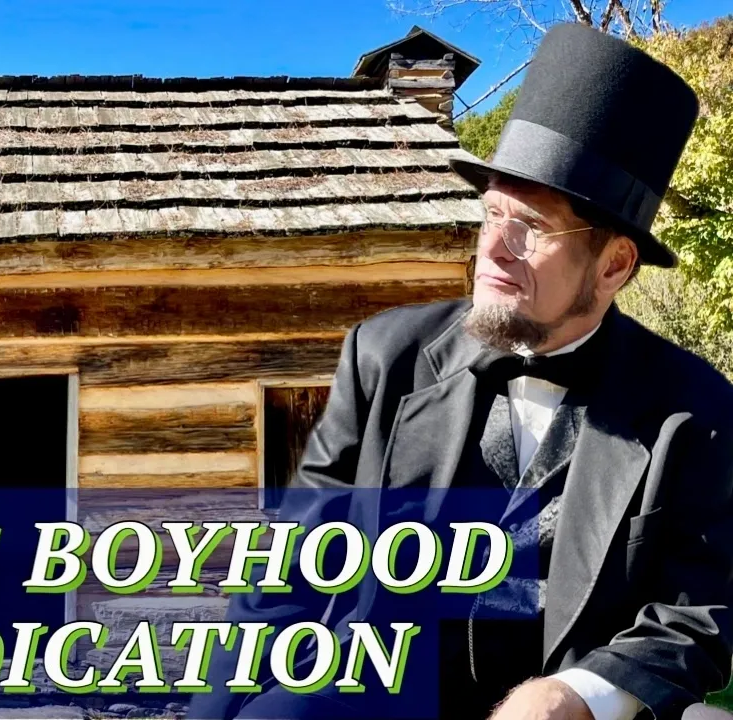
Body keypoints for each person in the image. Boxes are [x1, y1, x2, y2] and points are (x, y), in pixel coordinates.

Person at [189, 23, 733, 720]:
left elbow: (695, 616)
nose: (493, 250)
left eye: (531, 227)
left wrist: (578, 696)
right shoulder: (384, 356)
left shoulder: (696, 411)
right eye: (491, 214)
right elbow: (288, 575)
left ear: (615, 266)